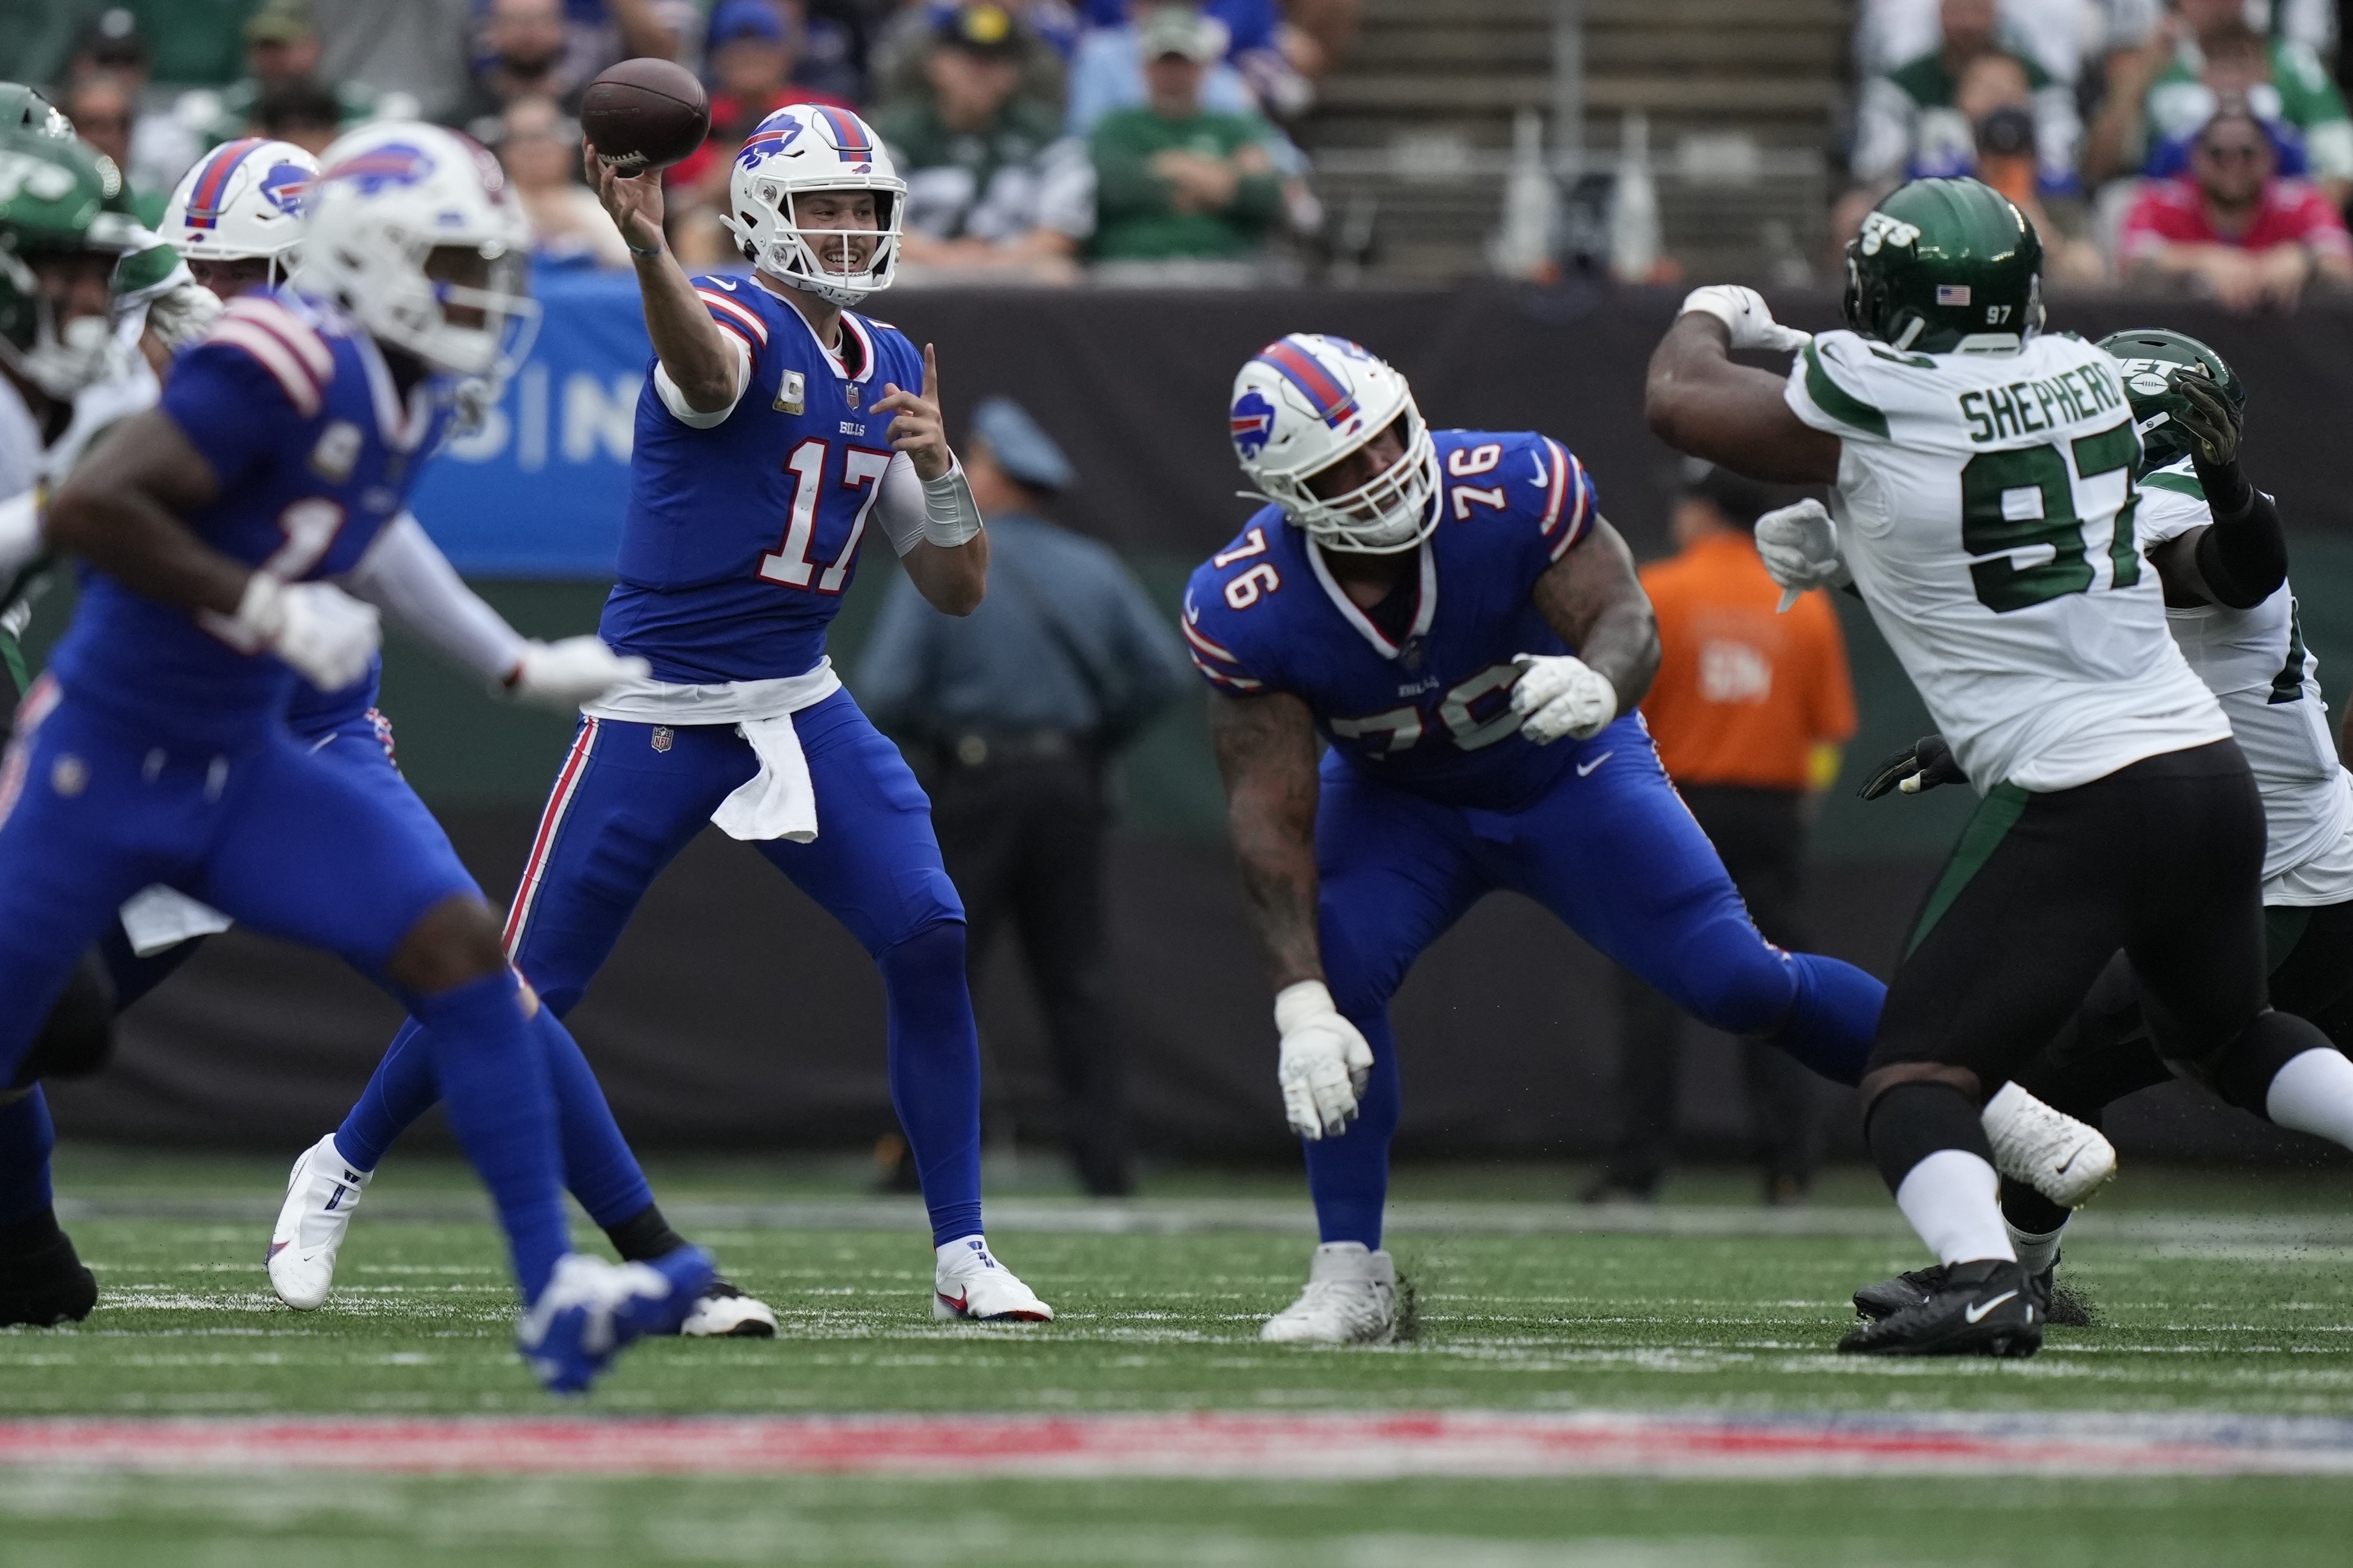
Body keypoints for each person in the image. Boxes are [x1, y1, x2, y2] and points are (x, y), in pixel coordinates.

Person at [272, 104, 1057, 1325]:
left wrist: (944, 467)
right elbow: (704, 371)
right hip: (661, 704)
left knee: (929, 932)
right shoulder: (727, 315)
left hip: (800, 700)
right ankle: (337, 1165)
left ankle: (962, 1251)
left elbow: (955, 590)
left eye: (864, 208)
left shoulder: (893, 362)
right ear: (758, 217)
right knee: (524, 979)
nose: (848, 231)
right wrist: (647, 253)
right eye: (823, 208)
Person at [0, 120, 724, 1393]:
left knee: (457, 948)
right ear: (366, 258)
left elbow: (374, 537)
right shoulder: (268, 355)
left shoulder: (402, 383)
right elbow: (96, 507)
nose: (480, 292)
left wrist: (510, 664)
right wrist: (265, 604)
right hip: (110, 757)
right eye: (448, 261)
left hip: (254, 754)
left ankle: (557, 1284)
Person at [1644, 175, 2337, 1357]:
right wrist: (1859, 546)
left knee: (1914, 1072)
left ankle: (1977, 1276)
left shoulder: (1878, 392)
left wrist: (1711, 312)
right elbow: (1969, 443)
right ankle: (1991, 1266)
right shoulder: (2082, 377)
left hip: (2078, 788)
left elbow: (1682, 401)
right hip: (2207, 777)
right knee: (2226, 1036)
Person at [1186, 332, 1890, 1346]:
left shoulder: (1510, 486)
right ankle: (1351, 1269)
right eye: (1347, 463)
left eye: (1390, 439)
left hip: (1567, 768)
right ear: (1288, 492)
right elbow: (1267, 812)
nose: (1385, 471)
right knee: (1332, 985)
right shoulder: (1249, 603)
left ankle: (1973, 1096)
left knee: (1737, 981)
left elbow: (1624, 616)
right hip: (1402, 803)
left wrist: (1602, 682)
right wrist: (1297, 1002)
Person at [1849, 327, 2353, 1328]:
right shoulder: (2151, 511)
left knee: (2077, 1062)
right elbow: (2118, 653)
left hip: (2271, 878)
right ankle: (2024, 1273)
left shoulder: (2171, 507)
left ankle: (2011, 1276)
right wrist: (1963, 746)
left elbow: (2231, 571)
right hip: (2291, 853)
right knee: (2091, 1065)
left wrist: (2227, 484)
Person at [859, 396, 1187, 1197]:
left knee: (942, 970)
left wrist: (948, 735)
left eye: (974, 459)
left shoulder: (952, 559)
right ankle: (1105, 1164)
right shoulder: (1096, 568)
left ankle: (919, 1158)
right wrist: (1089, 740)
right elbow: (1164, 675)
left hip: (977, 786)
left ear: (998, 477)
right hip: (1069, 788)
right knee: (1077, 978)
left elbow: (886, 686)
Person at [1586, 462, 1857, 1206]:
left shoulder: (1663, 593)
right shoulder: (1801, 605)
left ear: (1704, 514)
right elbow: (1827, 733)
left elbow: (1620, 709)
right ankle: (1790, 1165)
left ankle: (1636, 1169)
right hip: (1771, 809)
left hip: (1675, 807)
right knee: (1777, 984)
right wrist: (1799, 806)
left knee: (1651, 986)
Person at [876, 4, 1095, 281]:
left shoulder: (1045, 133)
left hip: (1013, 267)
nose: (980, 73)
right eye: (968, 59)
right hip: (924, 269)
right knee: (884, 271)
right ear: (937, 65)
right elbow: (876, 222)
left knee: (1059, 273)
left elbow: (1063, 230)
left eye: (994, 62)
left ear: (1013, 73)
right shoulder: (896, 132)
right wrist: (944, 259)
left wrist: (999, 263)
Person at [2087, 0, 2353, 204]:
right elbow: (2099, 167)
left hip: (2273, 225)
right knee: (2119, 201)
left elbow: (2341, 170)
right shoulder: (2155, 65)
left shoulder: (2293, 65)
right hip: (2174, 221)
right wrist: (2140, 74)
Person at [1087, 5, 1282, 269]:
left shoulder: (1235, 127)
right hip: (1132, 269)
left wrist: (1175, 165)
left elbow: (1265, 197)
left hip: (1226, 269)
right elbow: (1114, 190)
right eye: (1165, 62)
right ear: (1145, 67)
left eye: (1184, 63)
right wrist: (1222, 182)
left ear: (1203, 68)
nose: (1174, 74)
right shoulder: (1115, 127)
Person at [2119, 101, 2353, 313]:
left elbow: (2343, 263)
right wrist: (2204, 258)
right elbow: (2133, 262)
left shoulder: (2301, 202)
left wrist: (2305, 258)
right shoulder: (2160, 200)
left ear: (2269, 158)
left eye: (2247, 152)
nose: (2233, 164)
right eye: (2217, 153)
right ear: (2195, 158)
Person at [498, 96, 630, 269]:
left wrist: (577, 226)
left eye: (546, 135)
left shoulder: (597, 205)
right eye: (523, 138)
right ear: (504, 150)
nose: (536, 149)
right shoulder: (491, 205)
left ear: (567, 146)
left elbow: (631, 264)